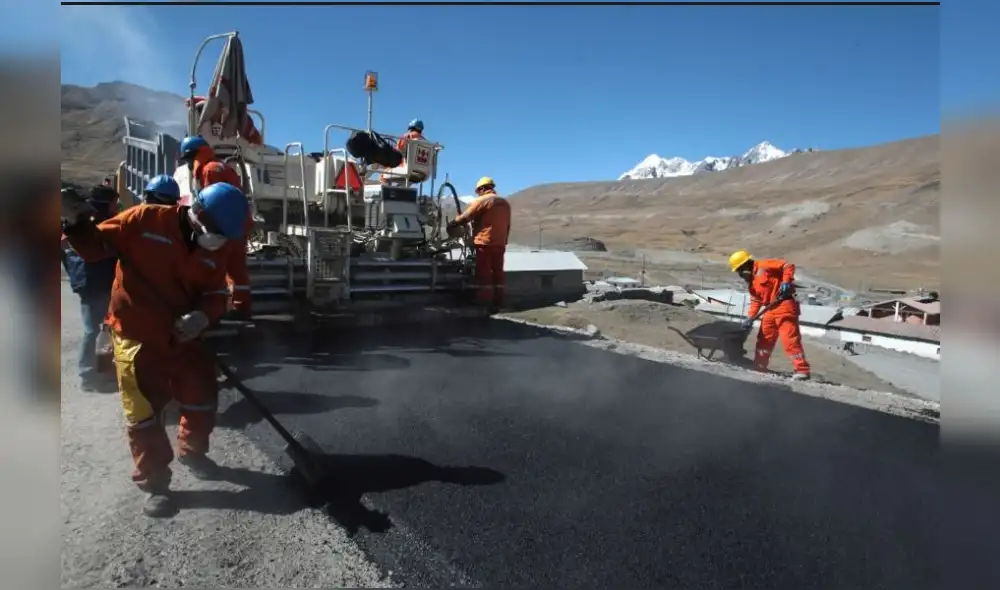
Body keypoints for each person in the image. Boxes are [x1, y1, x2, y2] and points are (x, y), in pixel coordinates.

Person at [60, 182, 250, 518]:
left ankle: (193, 452)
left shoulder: (216, 247)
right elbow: (94, 248)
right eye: (215, 233)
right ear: (197, 215)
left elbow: (216, 292)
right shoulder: (144, 220)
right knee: (144, 415)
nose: (217, 241)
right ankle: (157, 484)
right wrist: (75, 221)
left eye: (224, 237)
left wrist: (204, 315)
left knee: (202, 396)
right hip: (137, 336)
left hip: (185, 337)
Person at [59, 185, 120, 392]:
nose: (116, 205)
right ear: (107, 201)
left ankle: (101, 370)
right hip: (95, 281)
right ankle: (88, 374)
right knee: (93, 329)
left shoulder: (83, 219)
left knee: (102, 328)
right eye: (113, 201)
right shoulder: (99, 220)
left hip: (90, 281)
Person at [729, 249, 811, 380]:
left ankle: (801, 370)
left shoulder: (764, 265)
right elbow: (756, 301)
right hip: (769, 309)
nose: (740, 274)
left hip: (784, 304)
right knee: (764, 339)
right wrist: (750, 317)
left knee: (789, 339)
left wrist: (786, 282)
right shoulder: (752, 284)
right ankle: (759, 368)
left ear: (745, 266)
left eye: (739, 270)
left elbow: (787, 265)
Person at [447, 176, 511, 313]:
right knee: (498, 272)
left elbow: (467, 216)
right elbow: (508, 225)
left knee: (484, 273)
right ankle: (498, 301)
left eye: (478, 191)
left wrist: (453, 223)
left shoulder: (482, 200)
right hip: (500, 243)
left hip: (484, 242)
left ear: (482, 189)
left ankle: (484, 301)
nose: (478, 193)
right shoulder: (505, 203)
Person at [201, 161, 254, 319]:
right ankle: (242, 307)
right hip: (240, 221)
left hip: (224, 223)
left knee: (216, 269)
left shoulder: (207, 168)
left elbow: (209, 199)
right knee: (237, 268)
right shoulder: (226, 169)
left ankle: (216, 310)